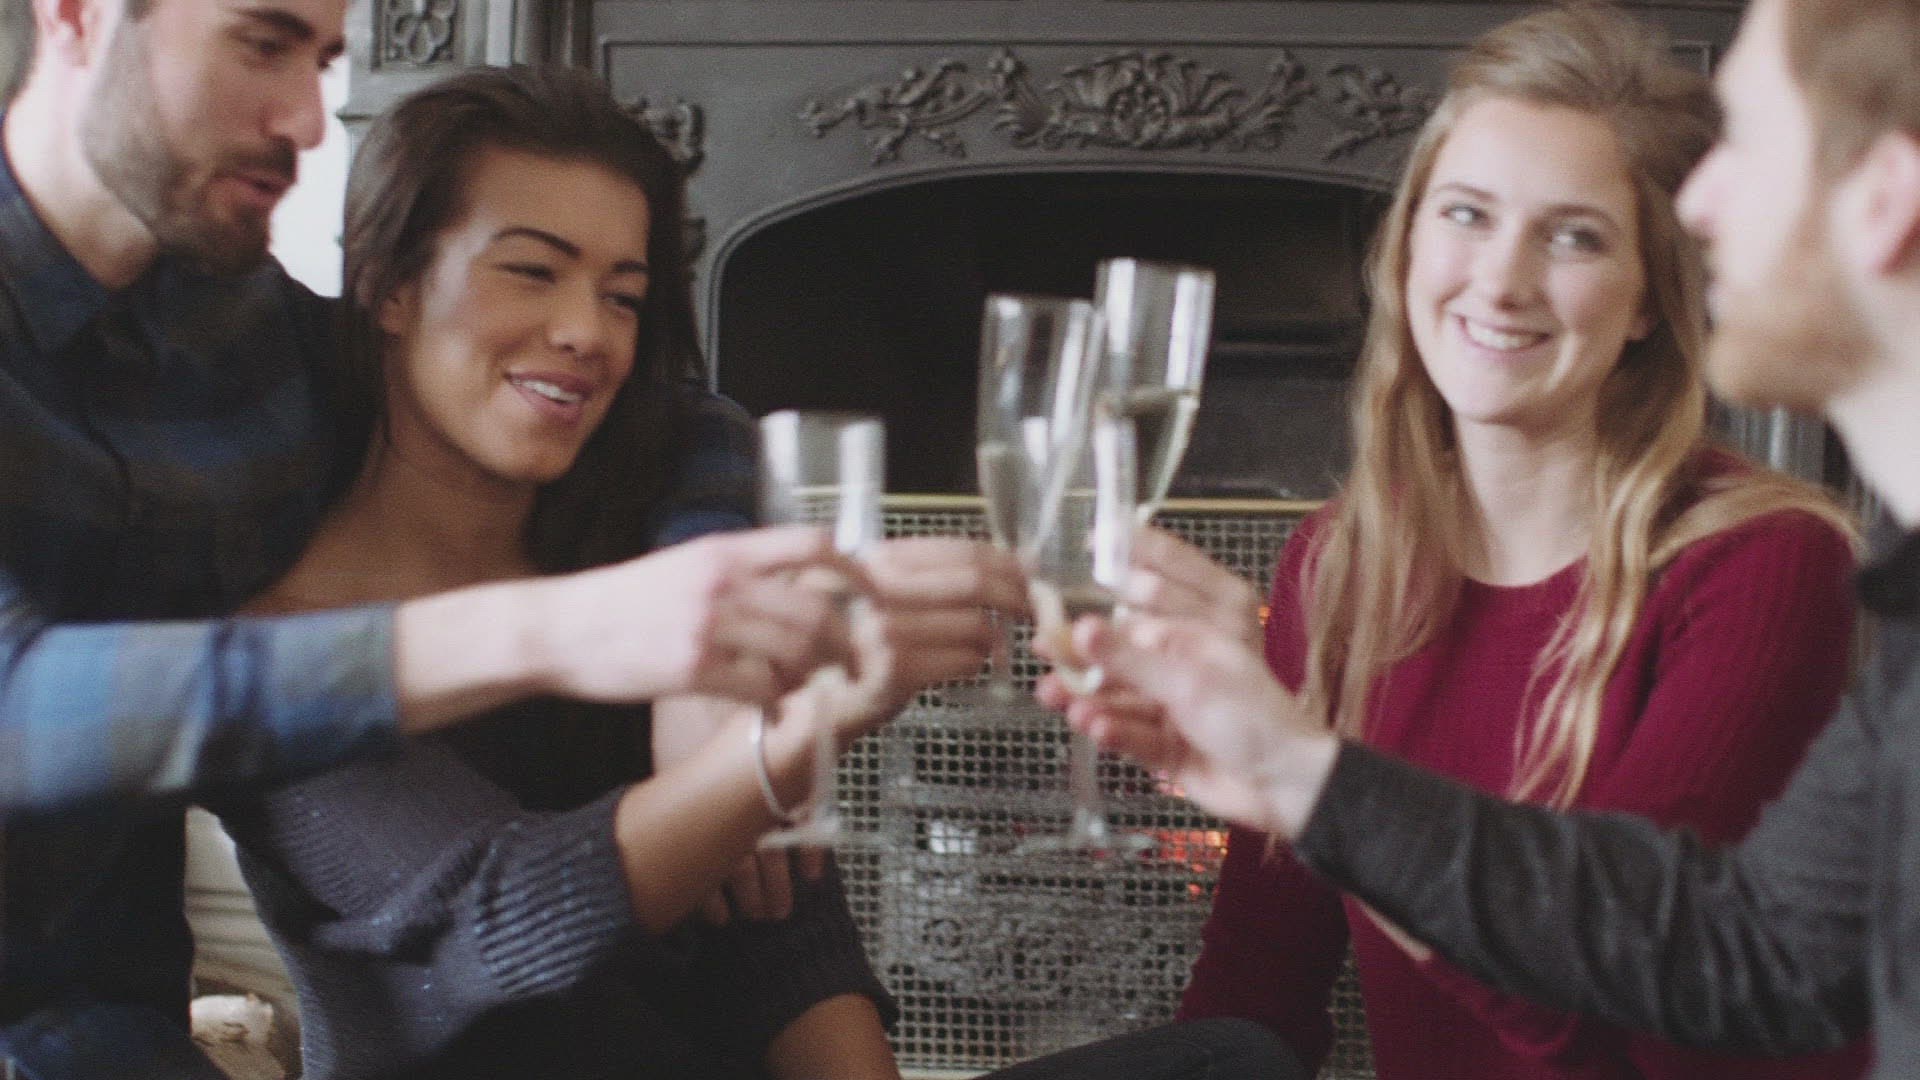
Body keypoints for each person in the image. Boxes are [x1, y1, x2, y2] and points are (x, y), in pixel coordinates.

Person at [0, 0, 867, 1075]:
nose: (309, 120)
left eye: (325, 61)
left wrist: (703, 649)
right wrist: (560, 630)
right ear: (76, 15)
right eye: (262, 44)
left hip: (123, 1032)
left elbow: (664, 412)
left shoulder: (241, 320)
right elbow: (25, 705)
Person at [1056, 0, 1920, 1076]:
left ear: (1648, 299)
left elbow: (1632, 996)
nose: (1502, 282)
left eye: (1574, 236)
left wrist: (1310, 781)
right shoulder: (1337, 567)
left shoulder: (1767, 560)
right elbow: (1254, 1000)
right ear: (1407, 244)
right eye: (1466, 214)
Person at [206, 63, 1029, 1080]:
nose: (586, 334)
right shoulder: (277, 654)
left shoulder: (649, 564)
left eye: (624, 296)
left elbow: (787, 948)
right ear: (390, 285)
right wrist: (798, 735)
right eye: (531, 271)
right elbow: (503, 916)